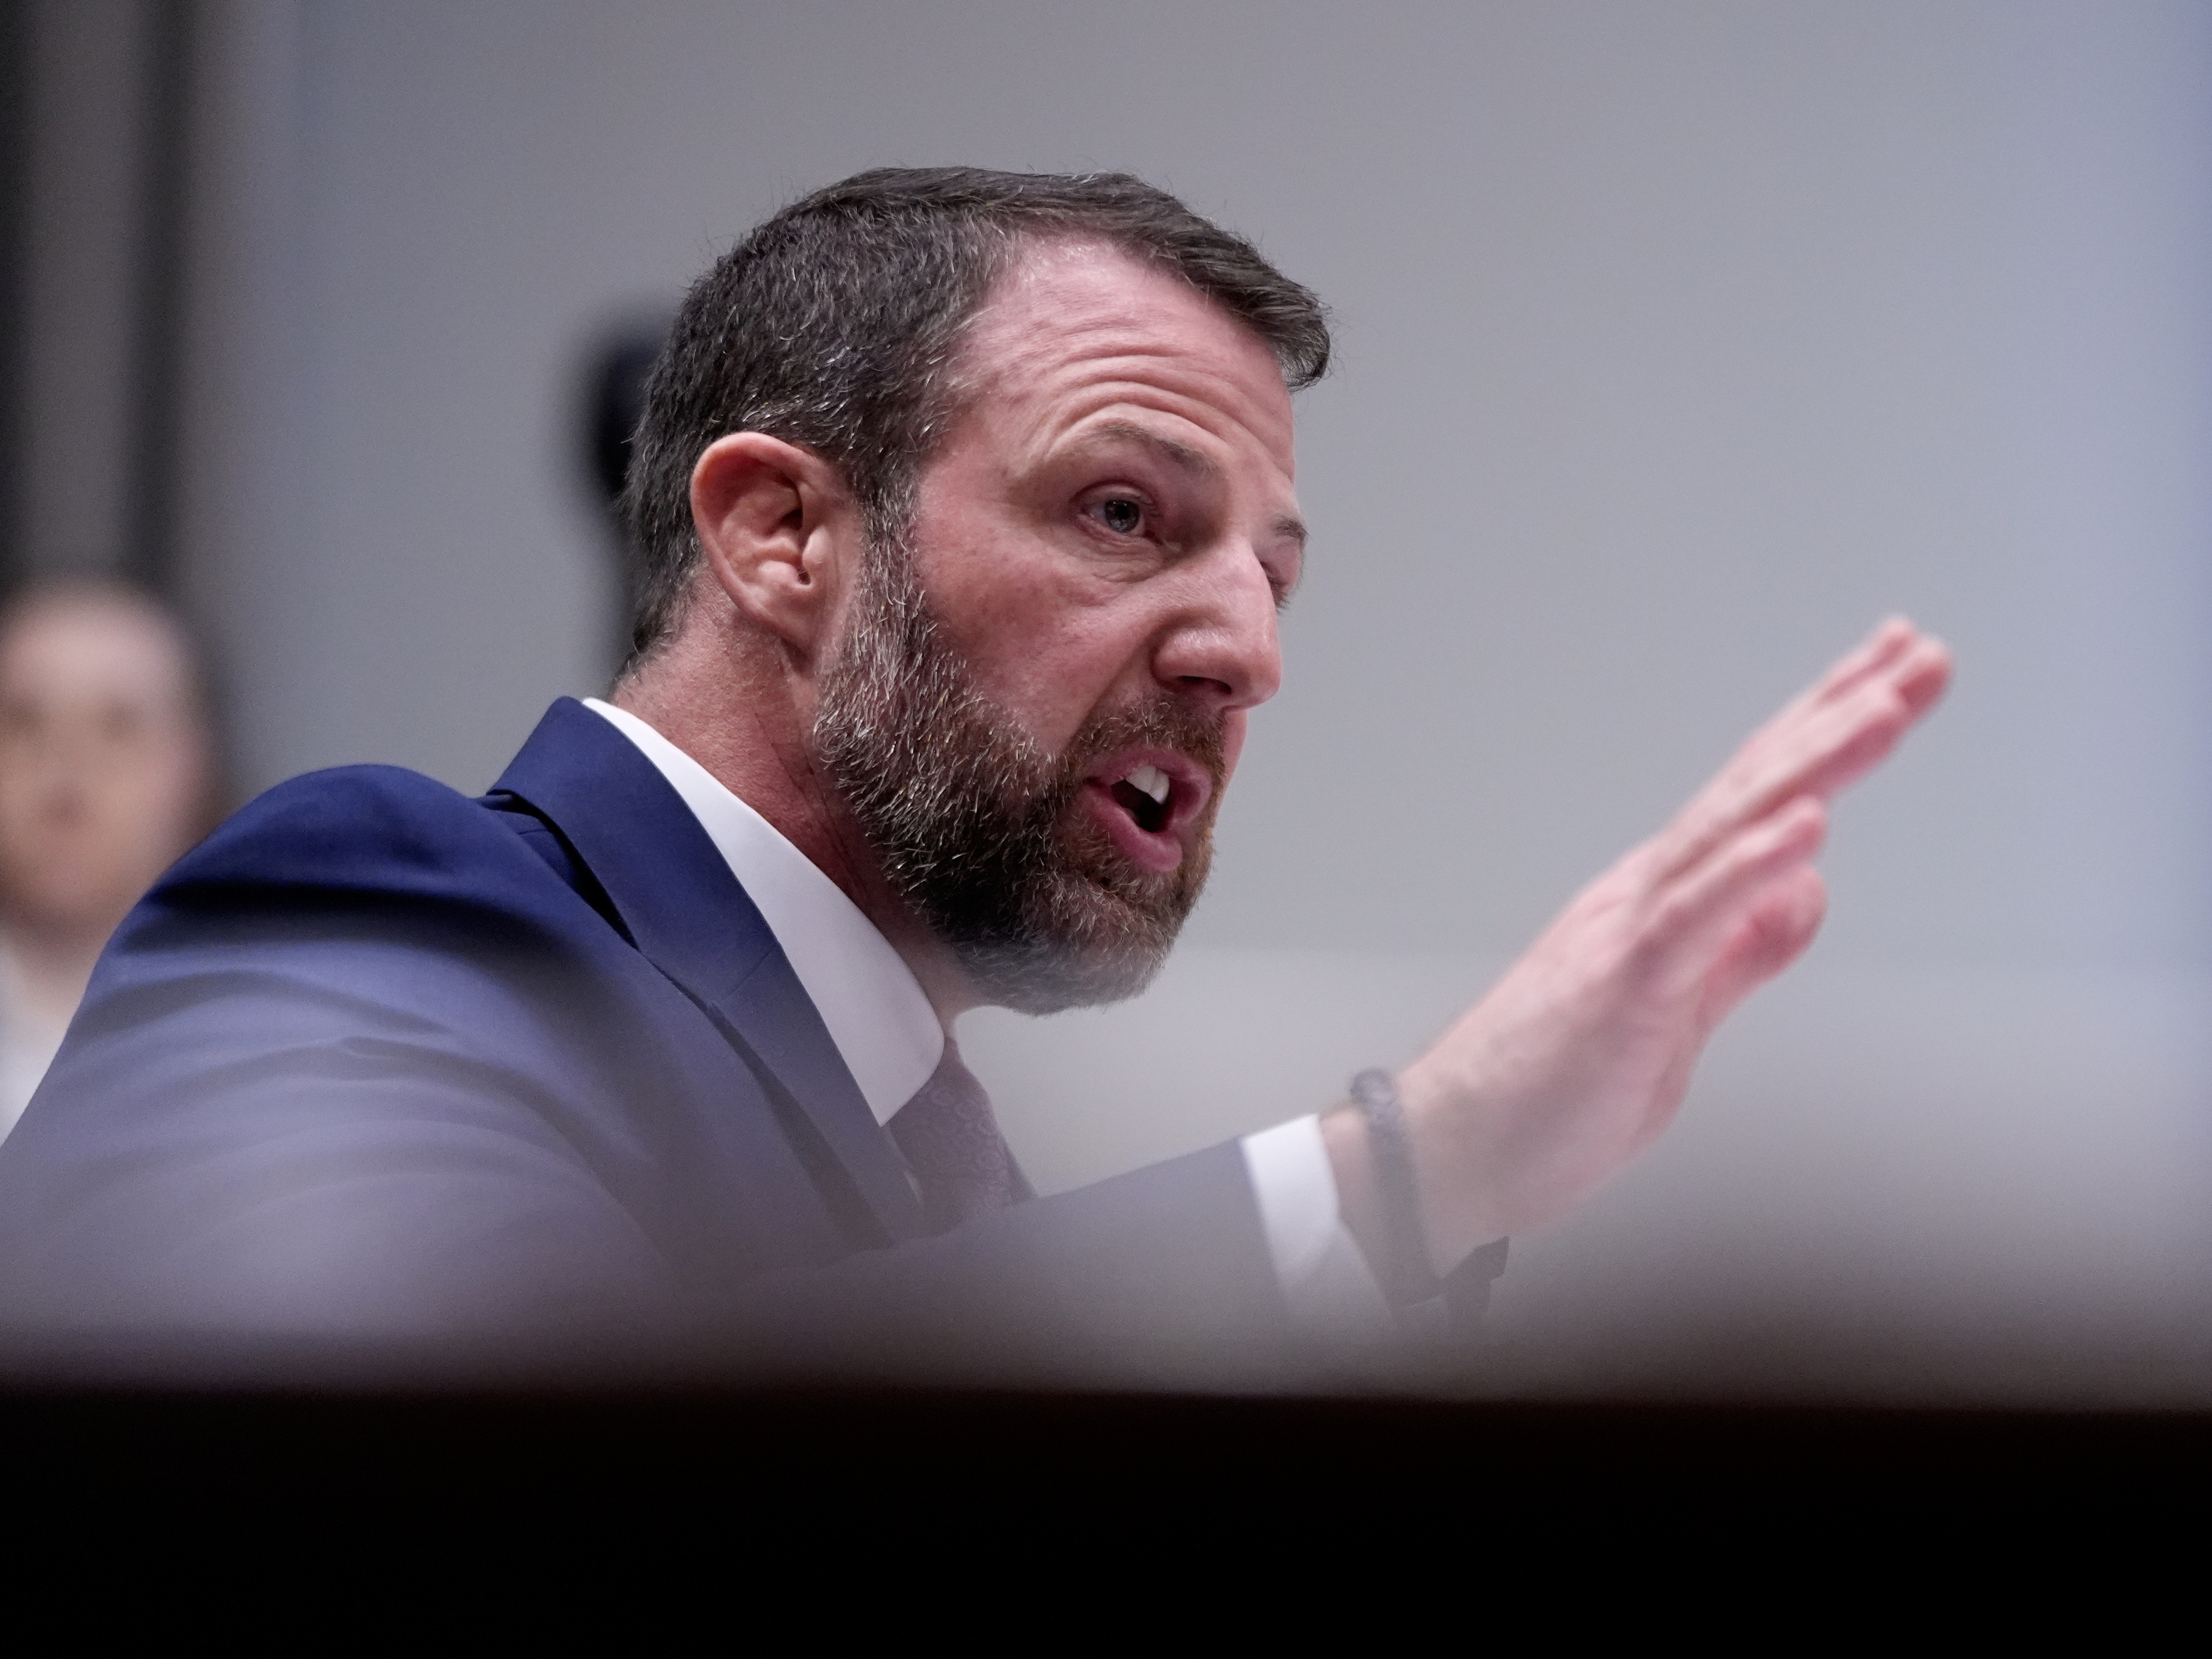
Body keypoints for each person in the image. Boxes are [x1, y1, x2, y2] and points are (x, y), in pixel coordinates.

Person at [0, 170, 1948, 1382]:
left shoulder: (955, 1179)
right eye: (1125, 510)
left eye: (1270, 574)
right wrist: (1402, 1172)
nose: (1245, 650)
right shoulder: (375, 905)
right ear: (781, 534)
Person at [0, 581, 214, 1143]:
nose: (68, 777)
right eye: (25, 724)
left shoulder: (268, 1046)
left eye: (118, 726)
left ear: (192, 766)